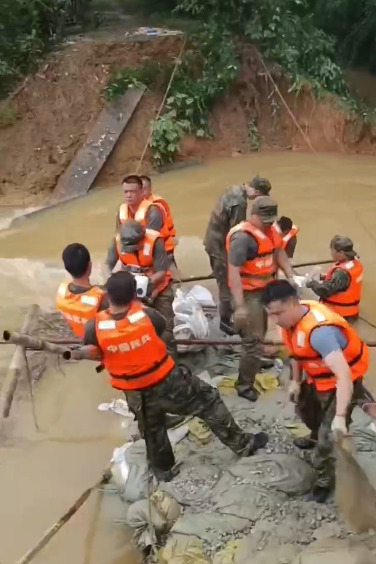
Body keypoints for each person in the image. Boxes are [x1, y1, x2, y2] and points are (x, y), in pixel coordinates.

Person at [83, 271, 269, 481]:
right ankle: (243, 445)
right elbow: (164, 334)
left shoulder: (94, 326)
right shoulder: (147, 315)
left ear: (108, 296)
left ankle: (164, 471)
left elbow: (92, 350)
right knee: (208, 400)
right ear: (135, 294)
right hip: (165, 380)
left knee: (152, 429)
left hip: (133, 390)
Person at [261, 279, 370, 503]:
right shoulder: (290, 323)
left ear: (292, 303)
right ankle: (314, 433)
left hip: (339, 385)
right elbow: (298, 352)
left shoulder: (321, 333)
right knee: (305, 409)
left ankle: (324, 483)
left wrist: (340, 416)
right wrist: (295, 381)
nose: (274, 320)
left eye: (277, 314)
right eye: (270, 314)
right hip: (316, 377)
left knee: (326, 442)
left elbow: (345, 377)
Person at [226, 196, 295, 402]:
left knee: (263, 329)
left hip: (267, 288)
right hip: (249, 293)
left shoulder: (273, 229)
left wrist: (290, 275)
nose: (266, 223)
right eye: (263, 219)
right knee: (253, 340)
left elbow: (279, 252)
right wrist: (239, 306)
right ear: (252, 215)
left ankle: (256, 359)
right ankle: (244, 383)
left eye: (270, 219)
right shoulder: (242, 238)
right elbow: (233, 273)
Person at [204, 176, 272, 335]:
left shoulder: (234, 188)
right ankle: (226, 322)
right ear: (255, 191)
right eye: (259, 196)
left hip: (213, 240)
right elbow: (237, 232)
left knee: (224, 276)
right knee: (227, 284)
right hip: (219, 246)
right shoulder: (240, 202)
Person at [105, 219, 176, 357]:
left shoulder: (155, 241)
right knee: (134, 328)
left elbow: (161, 272)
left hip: (158, 288)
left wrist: (147, 282)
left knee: (166, 331)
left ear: (142, 240)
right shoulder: (117, 241)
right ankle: (145, 359)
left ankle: (171, 362)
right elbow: (107, 265)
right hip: (131, 291)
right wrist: (112, 280)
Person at [306, 235, 362, 324]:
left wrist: (311, 283)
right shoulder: (355, 262)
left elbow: (325, 291)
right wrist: (323, 277)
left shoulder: (341, 273)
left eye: (332, 250)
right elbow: (343, 283)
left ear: (341, 253)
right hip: (351, 312)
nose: (331, 252)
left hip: (339, 315)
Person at [116, 174, 174, 259]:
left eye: (133, 191)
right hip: (133, 251)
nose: (128, 195)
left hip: (161, 251)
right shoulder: (121, 211)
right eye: (126, 192)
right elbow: (118, 236)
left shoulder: (153, 210)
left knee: (168, 267)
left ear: (141, 191)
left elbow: (151, 240)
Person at [56, 243, 107, 338]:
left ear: (67, 268)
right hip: (93, 341)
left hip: (73, 335)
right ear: (90, 266)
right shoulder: (102, 297)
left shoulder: (62, 289)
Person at [141, 175, 177, 267]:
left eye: (144, 189)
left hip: (164, 245)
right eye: (139, 189)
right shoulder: (140, 205)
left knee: (170, 271)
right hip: (155, 245)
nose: (142, 192)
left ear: (150, 189)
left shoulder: (156, 206)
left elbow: (151, 231)